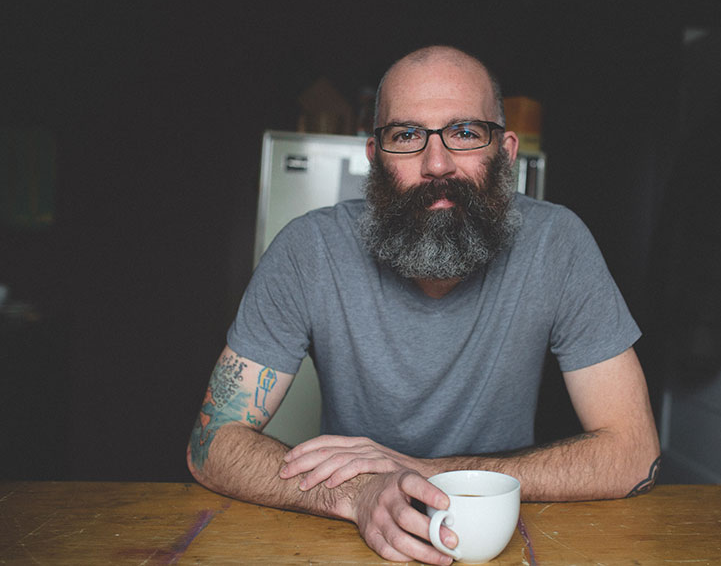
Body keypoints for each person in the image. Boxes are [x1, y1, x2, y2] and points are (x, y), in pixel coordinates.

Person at [187, 45, 660, 565]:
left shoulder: (558, 243)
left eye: (463, 133)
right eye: (407, 135)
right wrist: (360, 491)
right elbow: (212, 445)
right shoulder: (308, 250)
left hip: (499, 539)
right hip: (345, 540)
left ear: (504, 151)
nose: (437, 164)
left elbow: (633, 454)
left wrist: (420, 473)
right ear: (375, 156)